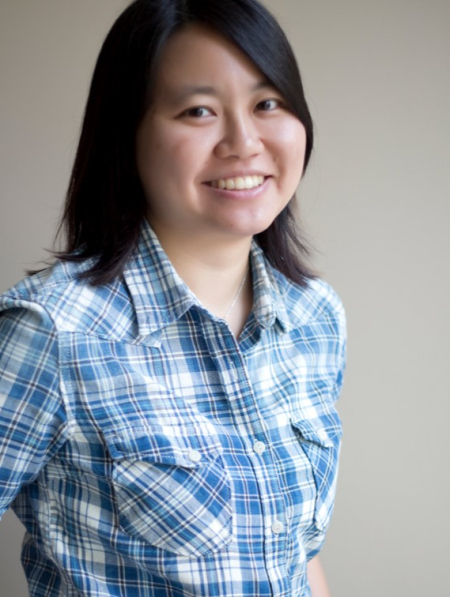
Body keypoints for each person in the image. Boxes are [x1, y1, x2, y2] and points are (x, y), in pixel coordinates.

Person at [0, 0, 346, 595]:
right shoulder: (52, 331)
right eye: (198, 111)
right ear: (126, 136)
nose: (244, 141)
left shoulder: (315, 315)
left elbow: (298, 555)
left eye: (268, 103)